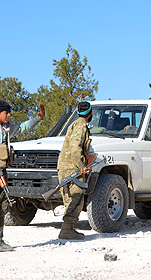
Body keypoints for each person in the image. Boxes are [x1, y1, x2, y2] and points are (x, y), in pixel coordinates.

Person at [0, 99, 45, 254]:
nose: (9, 115)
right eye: (6, 112)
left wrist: (38, 118)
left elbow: (24, 127)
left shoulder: (5, 128)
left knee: (2, 207)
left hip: (2, 172)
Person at [57, 101, 93, 240]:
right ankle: (66, 230)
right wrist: (81, 167)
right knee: (76, 198)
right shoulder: (81, 126)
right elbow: (75, 147)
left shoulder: (75, 124)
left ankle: (69, 228)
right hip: (71, 168)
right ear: (90, 113)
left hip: (67, 167)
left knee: (71, 198)